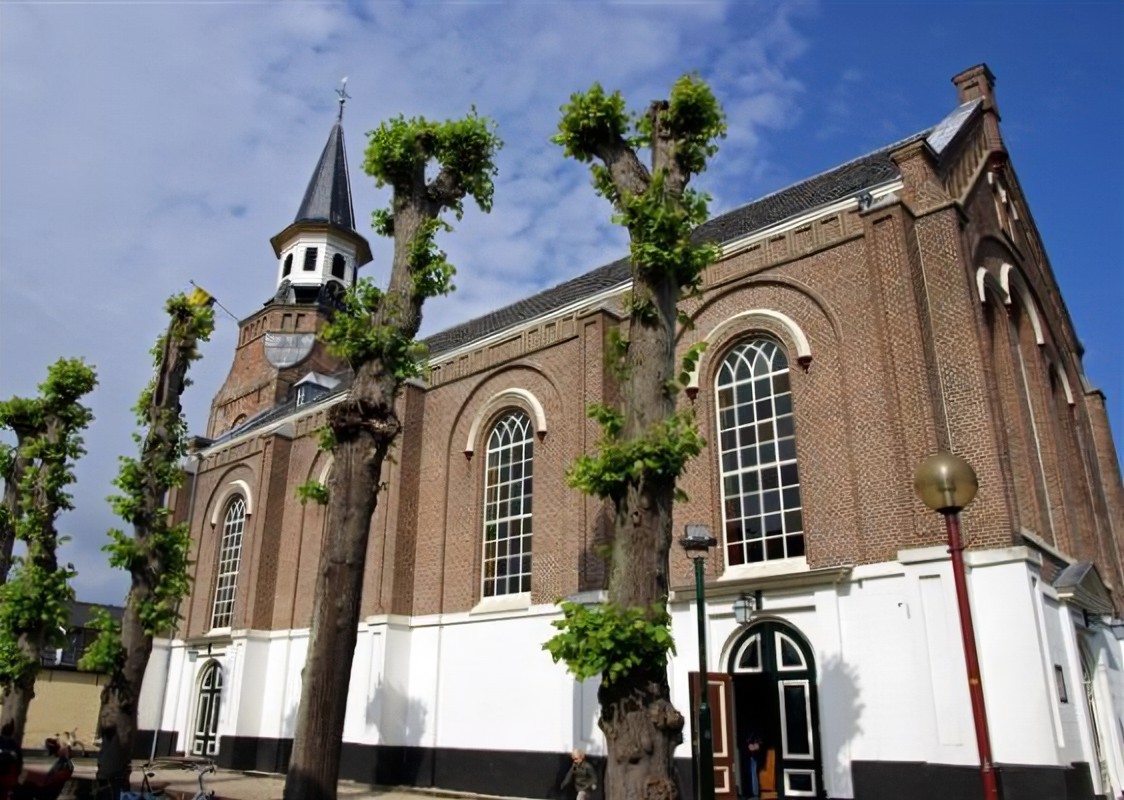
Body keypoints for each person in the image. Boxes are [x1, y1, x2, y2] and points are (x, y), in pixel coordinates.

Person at [741, 730, 763, 800]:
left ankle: (754, 791)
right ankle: (752, 791)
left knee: (754, 772)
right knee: (750, 773)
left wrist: (757, 746)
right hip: (749, 756)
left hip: (755, 756)